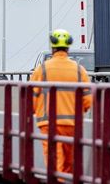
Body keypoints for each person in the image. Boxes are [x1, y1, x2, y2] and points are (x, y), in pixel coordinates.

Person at [30, 29, 92, 175]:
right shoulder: (79, 70)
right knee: (70, 166)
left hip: (48, 124)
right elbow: (88, 101)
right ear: (68, 48)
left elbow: (31, 98)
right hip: (72, 125)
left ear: (52, 47)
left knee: (55, 165)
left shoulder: (41, 70)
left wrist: (36, 110)